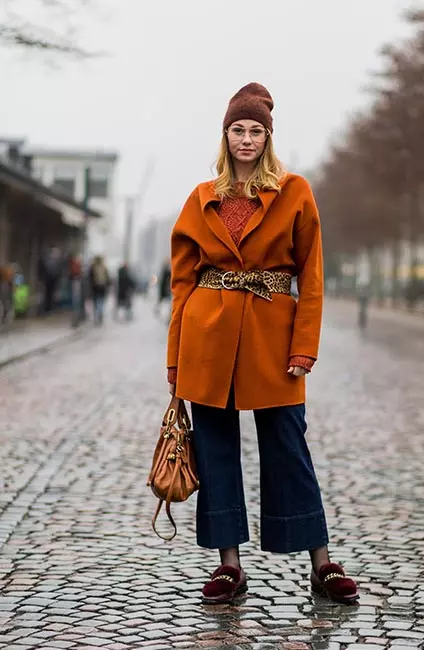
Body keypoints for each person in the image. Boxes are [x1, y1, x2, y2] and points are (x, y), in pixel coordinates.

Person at [166, 83, 359, 605]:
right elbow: (182, 284)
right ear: (225, 136)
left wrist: (305, 346)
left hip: (274, 338)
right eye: (238, 130)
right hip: (206, 339)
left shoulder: (294, 191)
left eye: (255, 131)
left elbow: (311, 275)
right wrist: (174, 357)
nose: (246, 139)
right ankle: (229, 566)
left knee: (288, 445)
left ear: (268, 137)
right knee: (215, 451)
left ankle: (320, 562)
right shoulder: (200, 198)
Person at [38, 247, 62, 314]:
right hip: (47, 282)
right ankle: (46, 309)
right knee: (46, 295)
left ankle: (49, 309)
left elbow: (57, 273)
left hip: (51, 282)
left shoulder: (56, 262)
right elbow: (45, 271)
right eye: (56, 253)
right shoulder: (48, 261)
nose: (57, 255)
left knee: (50, 296)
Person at [88, 255, 110, 325]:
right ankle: (99, 315)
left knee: (96, 303)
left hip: (95, 288)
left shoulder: (92, 267)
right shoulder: (104, 267)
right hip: (102, 288)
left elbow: (89, 278)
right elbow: (108, 279)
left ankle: (96, 316)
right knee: (101, 302)